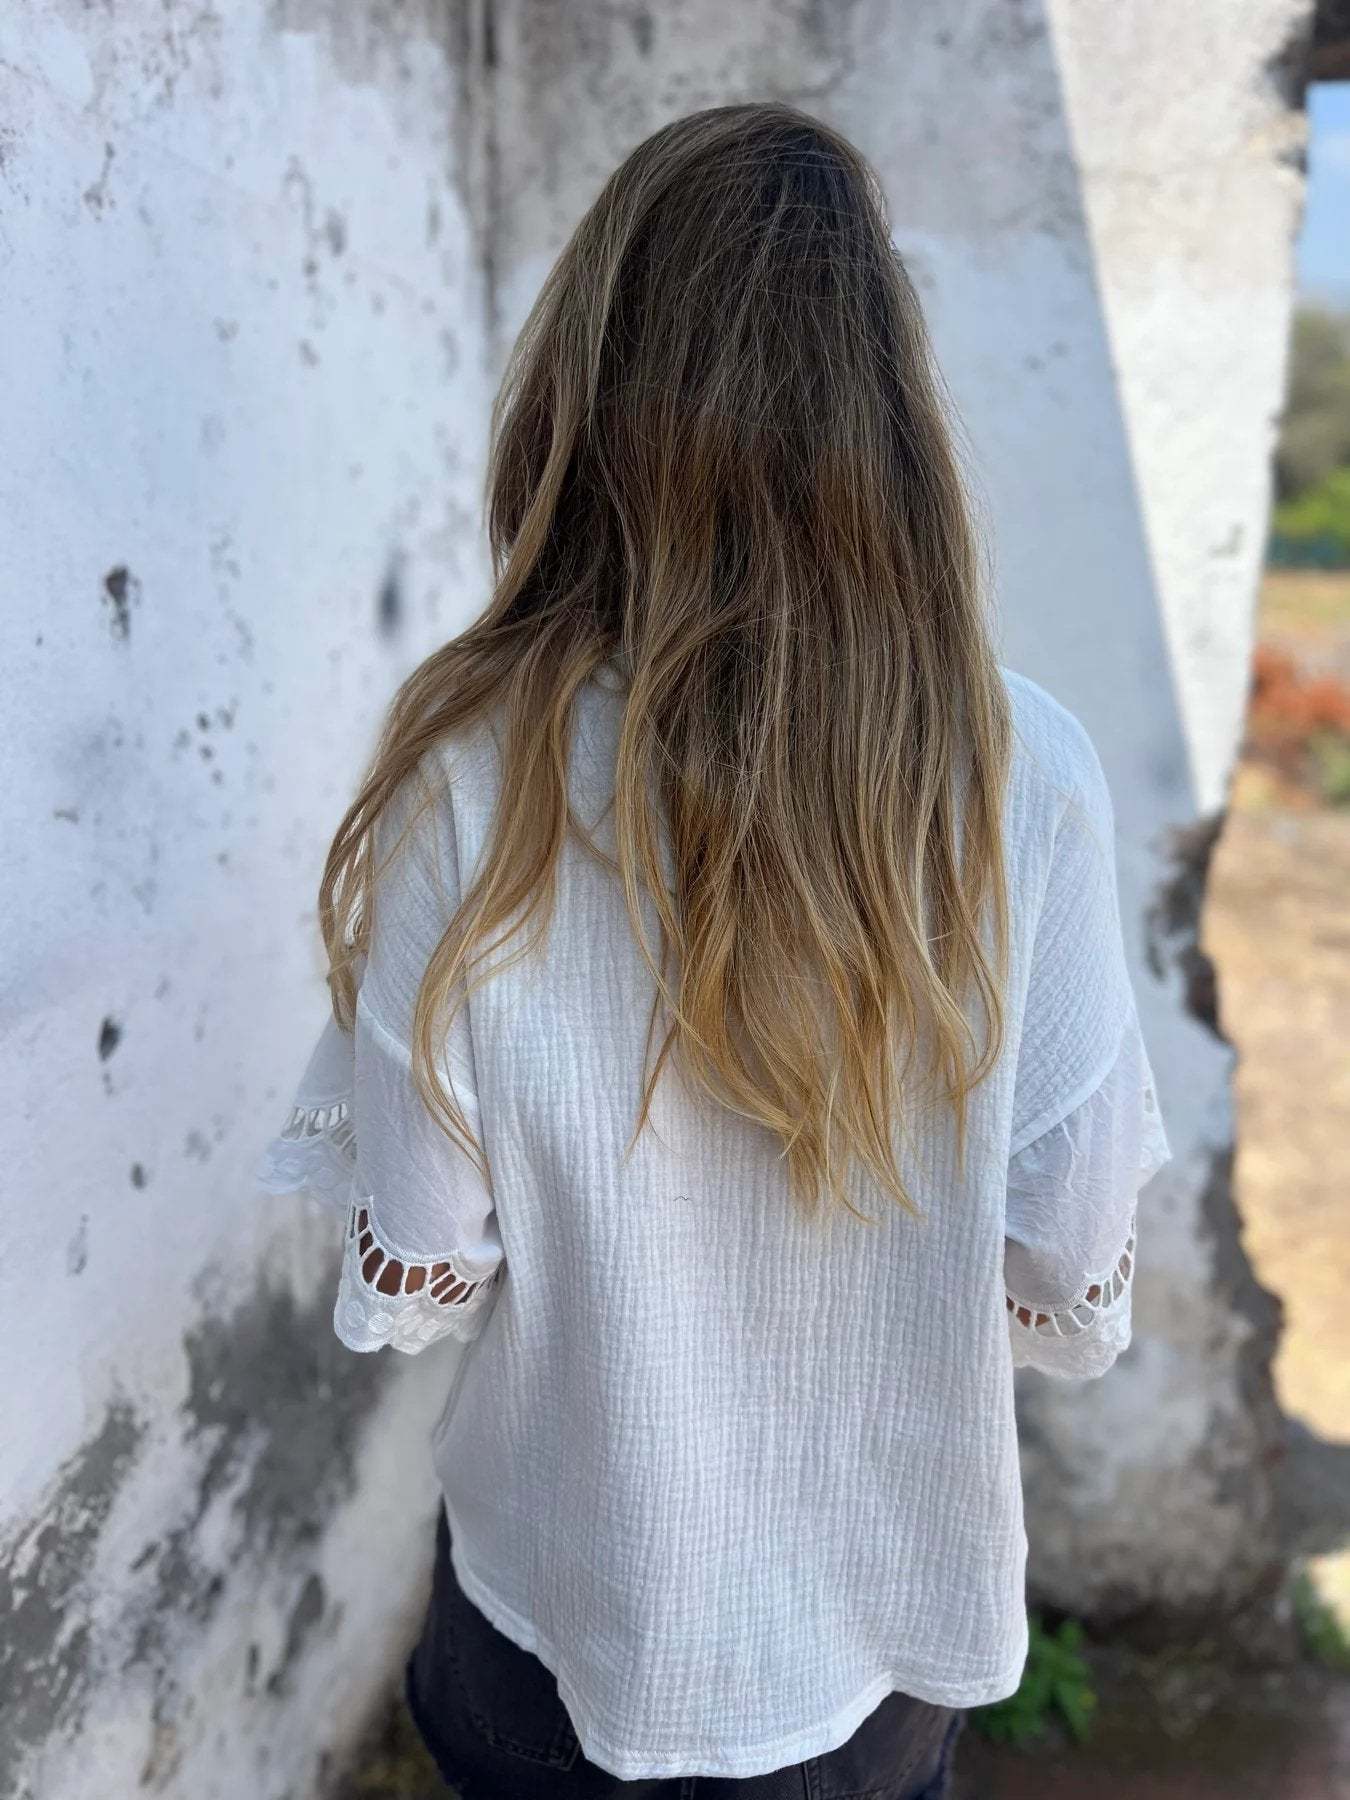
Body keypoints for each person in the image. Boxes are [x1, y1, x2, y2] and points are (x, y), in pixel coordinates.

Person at [258, 101, 1172, 1799]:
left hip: (557, 1626)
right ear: (890, 420)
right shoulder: (1017, 775)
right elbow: (1065, 1254)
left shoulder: (471, 777)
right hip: (874, 1650)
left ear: (585, 393)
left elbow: (426, 1245)